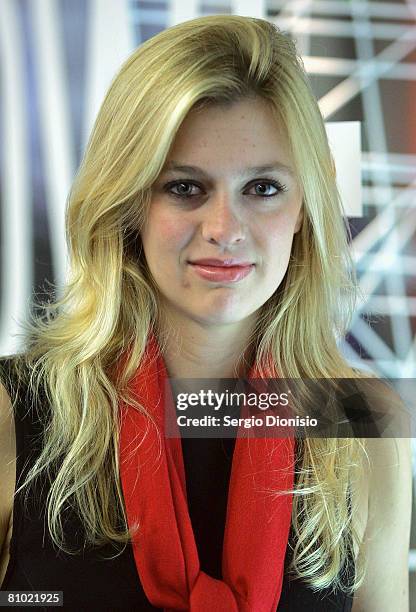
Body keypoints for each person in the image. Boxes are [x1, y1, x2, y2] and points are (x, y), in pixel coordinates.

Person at [0, 14, 412, 612]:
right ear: (128, 204)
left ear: (304, 206)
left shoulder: (362, 424)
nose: (224, 230)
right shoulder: (14, 413)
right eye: (185, 188)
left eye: (263, 188)